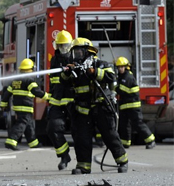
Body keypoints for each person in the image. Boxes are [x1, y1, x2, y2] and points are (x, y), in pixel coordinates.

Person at [61, 38, 128, 174]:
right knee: (82, 138)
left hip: (101, 107)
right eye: (75, 52)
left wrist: (95, 72)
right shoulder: (75, 69)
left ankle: (122, 161)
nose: (77, 55)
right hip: (83, 110)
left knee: (109, 135)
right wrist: (66, 73)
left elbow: (112, 76)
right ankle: (83, 166)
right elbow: (64, 83)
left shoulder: (100, 64)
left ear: (87, 52)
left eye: (80, 52)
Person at [1, 58, 48, 151]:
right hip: (26, 106)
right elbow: (36, 92)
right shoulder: (29, 80)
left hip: (18, 106)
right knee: (22, 124)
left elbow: (7, 93)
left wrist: (3, 104)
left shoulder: (15, 80)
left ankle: (33, 142)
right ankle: (11, 140)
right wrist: (49, 97)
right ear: (30, 69)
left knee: (29, 124)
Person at [47, 30, 74, 170]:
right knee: (52, 128)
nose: (63, 49)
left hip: (74, 102)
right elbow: (53, 82)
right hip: (58, 101)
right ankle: (64, 156)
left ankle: (83, 163)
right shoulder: (54, 60)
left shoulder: (75, 58)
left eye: (66, 46)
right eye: (61, 46)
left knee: (79, 132)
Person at [115, 57, 156, 149]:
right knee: (124, 126)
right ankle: (125, 143)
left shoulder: (128, 77)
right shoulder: (121, 77)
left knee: (138, 124)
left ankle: (150, 140)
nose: (120, 69)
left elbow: (122, 90)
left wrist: (115, 86)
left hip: (133, 106)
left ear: (126, 67)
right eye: (118, 67)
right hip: (125, 106)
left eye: (122, 67)